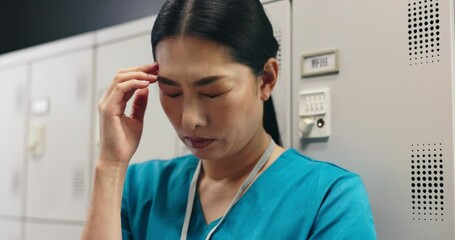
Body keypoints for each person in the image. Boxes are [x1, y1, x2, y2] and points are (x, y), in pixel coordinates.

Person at [81, 0, 377, 239]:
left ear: (267, 80)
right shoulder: (140, 188)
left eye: (211, 92)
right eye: (171, 92)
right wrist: (110, 165)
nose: (189, 120)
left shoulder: (328, 197)